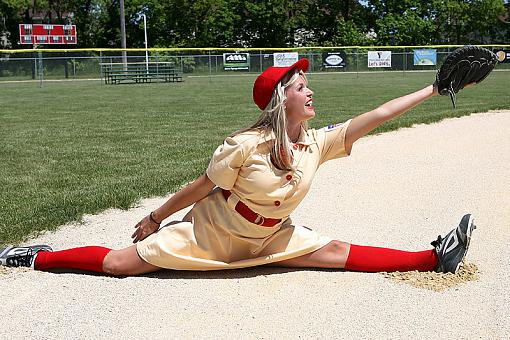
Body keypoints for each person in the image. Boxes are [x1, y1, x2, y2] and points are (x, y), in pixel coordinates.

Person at [0, 58, 476, 276]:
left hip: (271, 235)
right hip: (210, 234)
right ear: (279, 98)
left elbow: (376, 116)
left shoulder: (317, 142)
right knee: (117, 263)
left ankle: (433, 258)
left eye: (308, 85)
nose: (310, 92)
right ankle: (34, 257)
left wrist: (433, 90)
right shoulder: (244, 145)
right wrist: (154, 219)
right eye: (300, 86)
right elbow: (200, 188)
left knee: (334, 252)